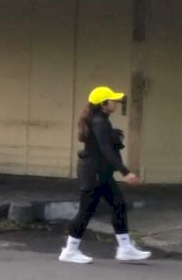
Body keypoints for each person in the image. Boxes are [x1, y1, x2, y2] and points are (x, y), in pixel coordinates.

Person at [61, 85, 151, 264]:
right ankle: (70, 251)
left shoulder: (100, 120)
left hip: (100, 173)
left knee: (118, 205)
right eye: (113, 100)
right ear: (103, 104)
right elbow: (105, 150)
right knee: (86, 211)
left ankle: (125, 248)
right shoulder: (99, 122)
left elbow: (104, 147)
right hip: (93, 173)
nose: (116, 102)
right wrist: (126, 172)